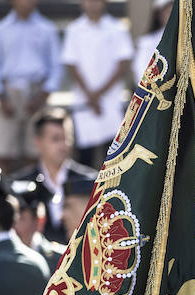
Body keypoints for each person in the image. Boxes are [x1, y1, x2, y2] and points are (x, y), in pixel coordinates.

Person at [0, 0, 61, 174]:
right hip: (9, 92)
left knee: (36, 150)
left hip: (37, 93)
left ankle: (33, 194)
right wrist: (1, 97)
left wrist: (43, 95)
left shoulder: (46, 29)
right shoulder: (1, 30)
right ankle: (2, 195)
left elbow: (56, 66)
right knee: (2, 152)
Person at [62, 0, 134, 169]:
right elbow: (71, 65)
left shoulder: (117, 28)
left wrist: (97, 95)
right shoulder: (74, 29)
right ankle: (84, 196)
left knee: (113, 158)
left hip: (109, 103)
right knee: (83, 159)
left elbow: (122, 65)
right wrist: (91, 96)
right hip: (84, 102)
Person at [12, 108, 96, 245]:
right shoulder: (21, 183)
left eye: (66, 138)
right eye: (55, 139)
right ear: (38, 142)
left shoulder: (89, 180)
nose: (63, 145)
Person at [11, 178, 64, 271]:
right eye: (10, 220)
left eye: (20, 219)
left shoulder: (61, 260)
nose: (13, 228)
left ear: (39, 221)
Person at [131, 0, 172, 85]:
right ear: (160, 15)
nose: (172, 17)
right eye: (168, 12)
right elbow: (140, 70)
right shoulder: (147, 42)